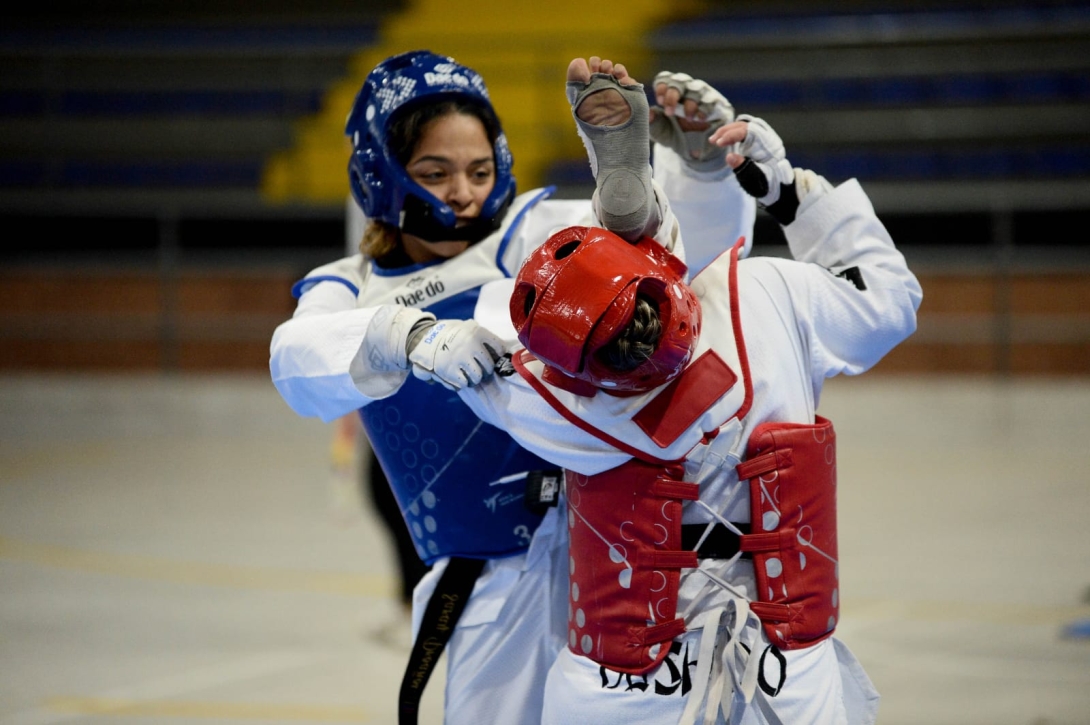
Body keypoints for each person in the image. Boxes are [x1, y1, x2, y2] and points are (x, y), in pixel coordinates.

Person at [269, 50, 754, 724]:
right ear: (381, 173)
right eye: (434, 173)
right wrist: (403, 335)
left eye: (479, 170)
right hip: (490, 581)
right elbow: (293, 363)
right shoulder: (349, 287)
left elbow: (680, 274)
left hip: (616, 543)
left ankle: (653, 184)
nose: (463, 192)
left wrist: (703, 176)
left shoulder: (531, 231)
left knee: (632, 257)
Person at [454, 60, 923, 724]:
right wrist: (787, 190)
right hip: (783, 652)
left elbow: (490, 371)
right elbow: (891, 302)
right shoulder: (769, 294)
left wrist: (419, 338)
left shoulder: (564, 408)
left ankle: (666, 189)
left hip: (619, 674)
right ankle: (684, 183)